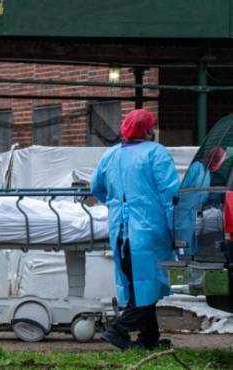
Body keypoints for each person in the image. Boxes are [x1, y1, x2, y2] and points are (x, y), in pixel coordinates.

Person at [90, 109, 180, 350]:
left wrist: (115, 203)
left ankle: (148, 338)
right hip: (149, 231)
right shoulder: (156, 153)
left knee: (137, 283)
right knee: (147, 285)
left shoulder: (110, 155)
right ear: (148, 130)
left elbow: (96, 186)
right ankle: (117, 331)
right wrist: (177, 230)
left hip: (120, 231)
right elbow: (171, 196)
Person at [174, 147, 227, 255]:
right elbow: (182, 190)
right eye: (217, 160)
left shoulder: (207, 172)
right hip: (184, 214)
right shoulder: (196, 167)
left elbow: (204, 194)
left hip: (195, 215)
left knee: (194, 247)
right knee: (184, 247)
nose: (218, 164)